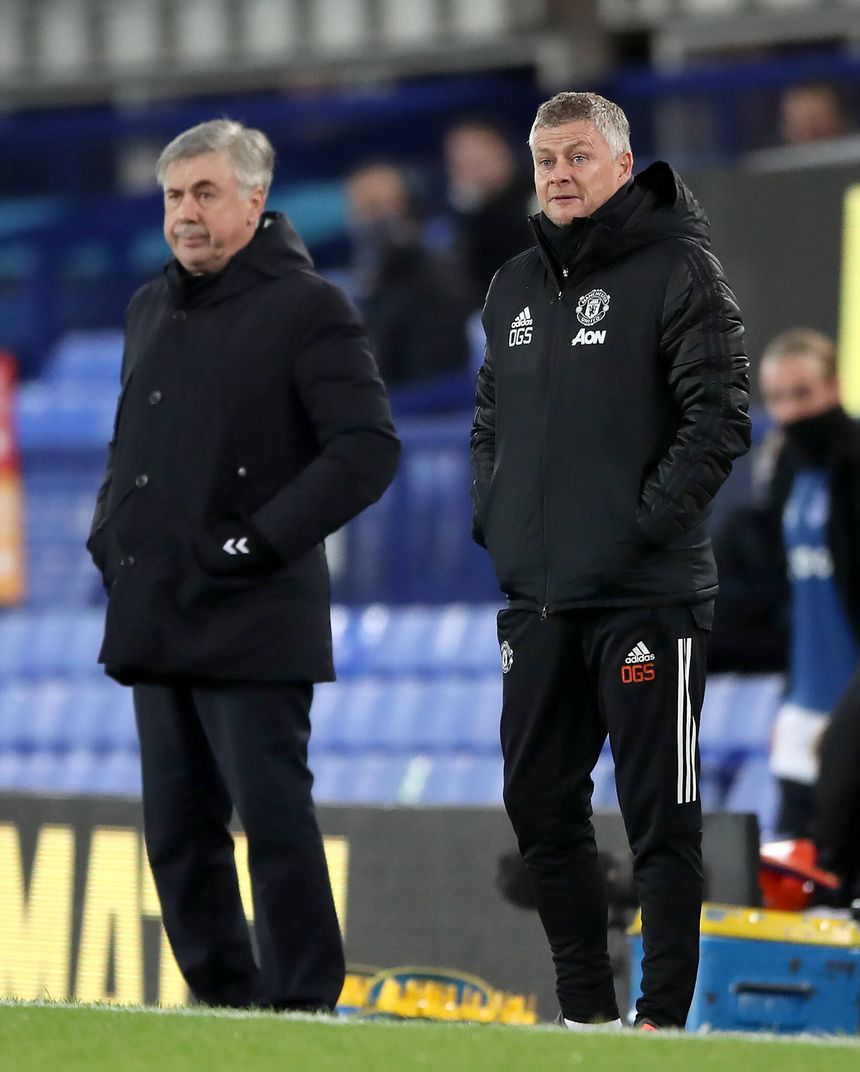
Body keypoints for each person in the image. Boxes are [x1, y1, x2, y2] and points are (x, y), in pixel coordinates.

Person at [87, 119, 400, 1011]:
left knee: (272, 822)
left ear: (257, 201)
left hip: (255, 609)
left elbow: (366, 451)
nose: (184, 214)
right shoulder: (150, 305)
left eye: (205, 193)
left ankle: (303, 1006)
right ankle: (225, 1007)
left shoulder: (311, 307)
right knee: (178, 834)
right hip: (158, 604)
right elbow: (129, 442)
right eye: (174, 197)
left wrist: (256, 541)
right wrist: (110, 534)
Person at [470, 91, 750, 1030]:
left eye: (578, 157)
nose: (558, 173)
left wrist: (635, 527)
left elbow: (720, 416)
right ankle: (586, 1018)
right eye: (546, 158)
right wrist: (498, 519)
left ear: (622, 167)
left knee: (660, 822)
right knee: (539, 812)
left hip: (645, 597)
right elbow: (488, 421)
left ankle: (661, 1024)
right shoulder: (509, 284)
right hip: (537, 600)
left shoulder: (679, 269)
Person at [759, 329, 860, 839]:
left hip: (852, 702)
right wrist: (788, 695)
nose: (791, 412)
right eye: (777, 398)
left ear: (834, 387)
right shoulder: (785, 471)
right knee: (794, 875)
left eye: (803, 393)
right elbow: (786, 596)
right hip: (804, 701)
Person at [345, 161, 471, 386]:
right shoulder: (366, 283)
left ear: (406, 210)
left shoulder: (433, 280)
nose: (370, 221)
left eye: (378, 207)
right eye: (361, 209)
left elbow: (431, 375)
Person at [443, 119, 534, 306]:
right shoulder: (464, 219)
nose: (469, 174)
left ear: (502, 155)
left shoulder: (538, 200)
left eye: (477, 163)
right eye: (460, 166)